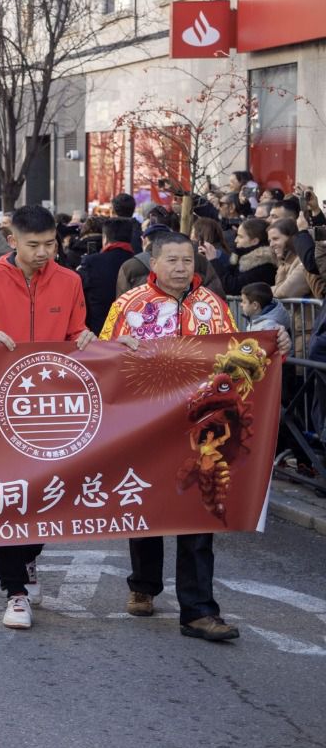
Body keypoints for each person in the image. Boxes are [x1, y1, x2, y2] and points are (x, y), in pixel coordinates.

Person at [100, 232, 287, 642]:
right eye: (172, 260)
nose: (182, 268)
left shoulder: (213, 306)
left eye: (188, 260)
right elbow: (103, 362)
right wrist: (118, 350)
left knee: (199, 513)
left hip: (202, 430)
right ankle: (143, 585)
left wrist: (276, 346)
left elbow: (241, 354)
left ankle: (199, 610)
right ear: (153, 263)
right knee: (146, 507)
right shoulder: (128, 306)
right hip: (144, 429)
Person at [0, 205, 97, 630]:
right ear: (12, 239)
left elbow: (77, 332)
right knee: (5, 495)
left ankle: (29, 555)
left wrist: (87, 338)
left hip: (52, 410)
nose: (43, 253)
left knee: (46, 492)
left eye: (50, 244)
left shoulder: (70, 281)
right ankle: (15, 590)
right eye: (34, 245)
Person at [78, 218, 136, 334]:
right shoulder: (138, 261)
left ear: (105, 238)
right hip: (131, 330)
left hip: (99, 331)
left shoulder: (92, 262)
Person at [208, 218, 276, 295]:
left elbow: (232, 287)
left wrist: (213, 260)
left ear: (254, 241)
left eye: (240, 236)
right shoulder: (239, 256)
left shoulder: (263, 264)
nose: (235, 240)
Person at [268, 217, 309, 299]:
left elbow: (284, 293)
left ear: (292, 238)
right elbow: (278, 290)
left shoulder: (303, 260)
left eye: (275, 239)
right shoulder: (283, 264)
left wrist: (263, 293)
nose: (271, 245)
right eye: (269, 241)